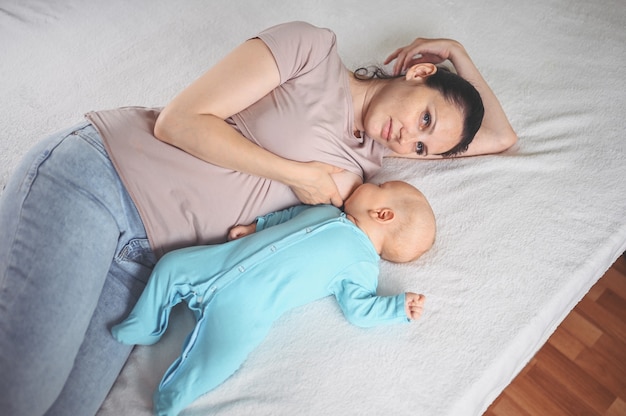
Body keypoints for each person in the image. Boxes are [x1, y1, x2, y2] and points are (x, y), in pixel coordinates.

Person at [0, 21, 516, 416]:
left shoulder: (369, 174)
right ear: (418, 74)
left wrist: (460, 55)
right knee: (25, 390)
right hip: (102, 178)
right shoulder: (312, 51)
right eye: (423, 118)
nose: (409, 140)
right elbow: (179, 121)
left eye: (424, 148)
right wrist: (298, 174)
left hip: (141, 261)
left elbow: (500, 138)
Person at [112, 180, 434, 416]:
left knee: (220, 355)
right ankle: (147, 324)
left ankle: (174, 395)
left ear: (383, 214)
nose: (368, 182)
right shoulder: (325, 211)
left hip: (249, 306)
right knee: (172, 265)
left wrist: (396, 307)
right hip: (221, 260)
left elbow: (359, 308)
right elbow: (288, 217)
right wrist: (256, 227)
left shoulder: (362, 263)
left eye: (379, 184)